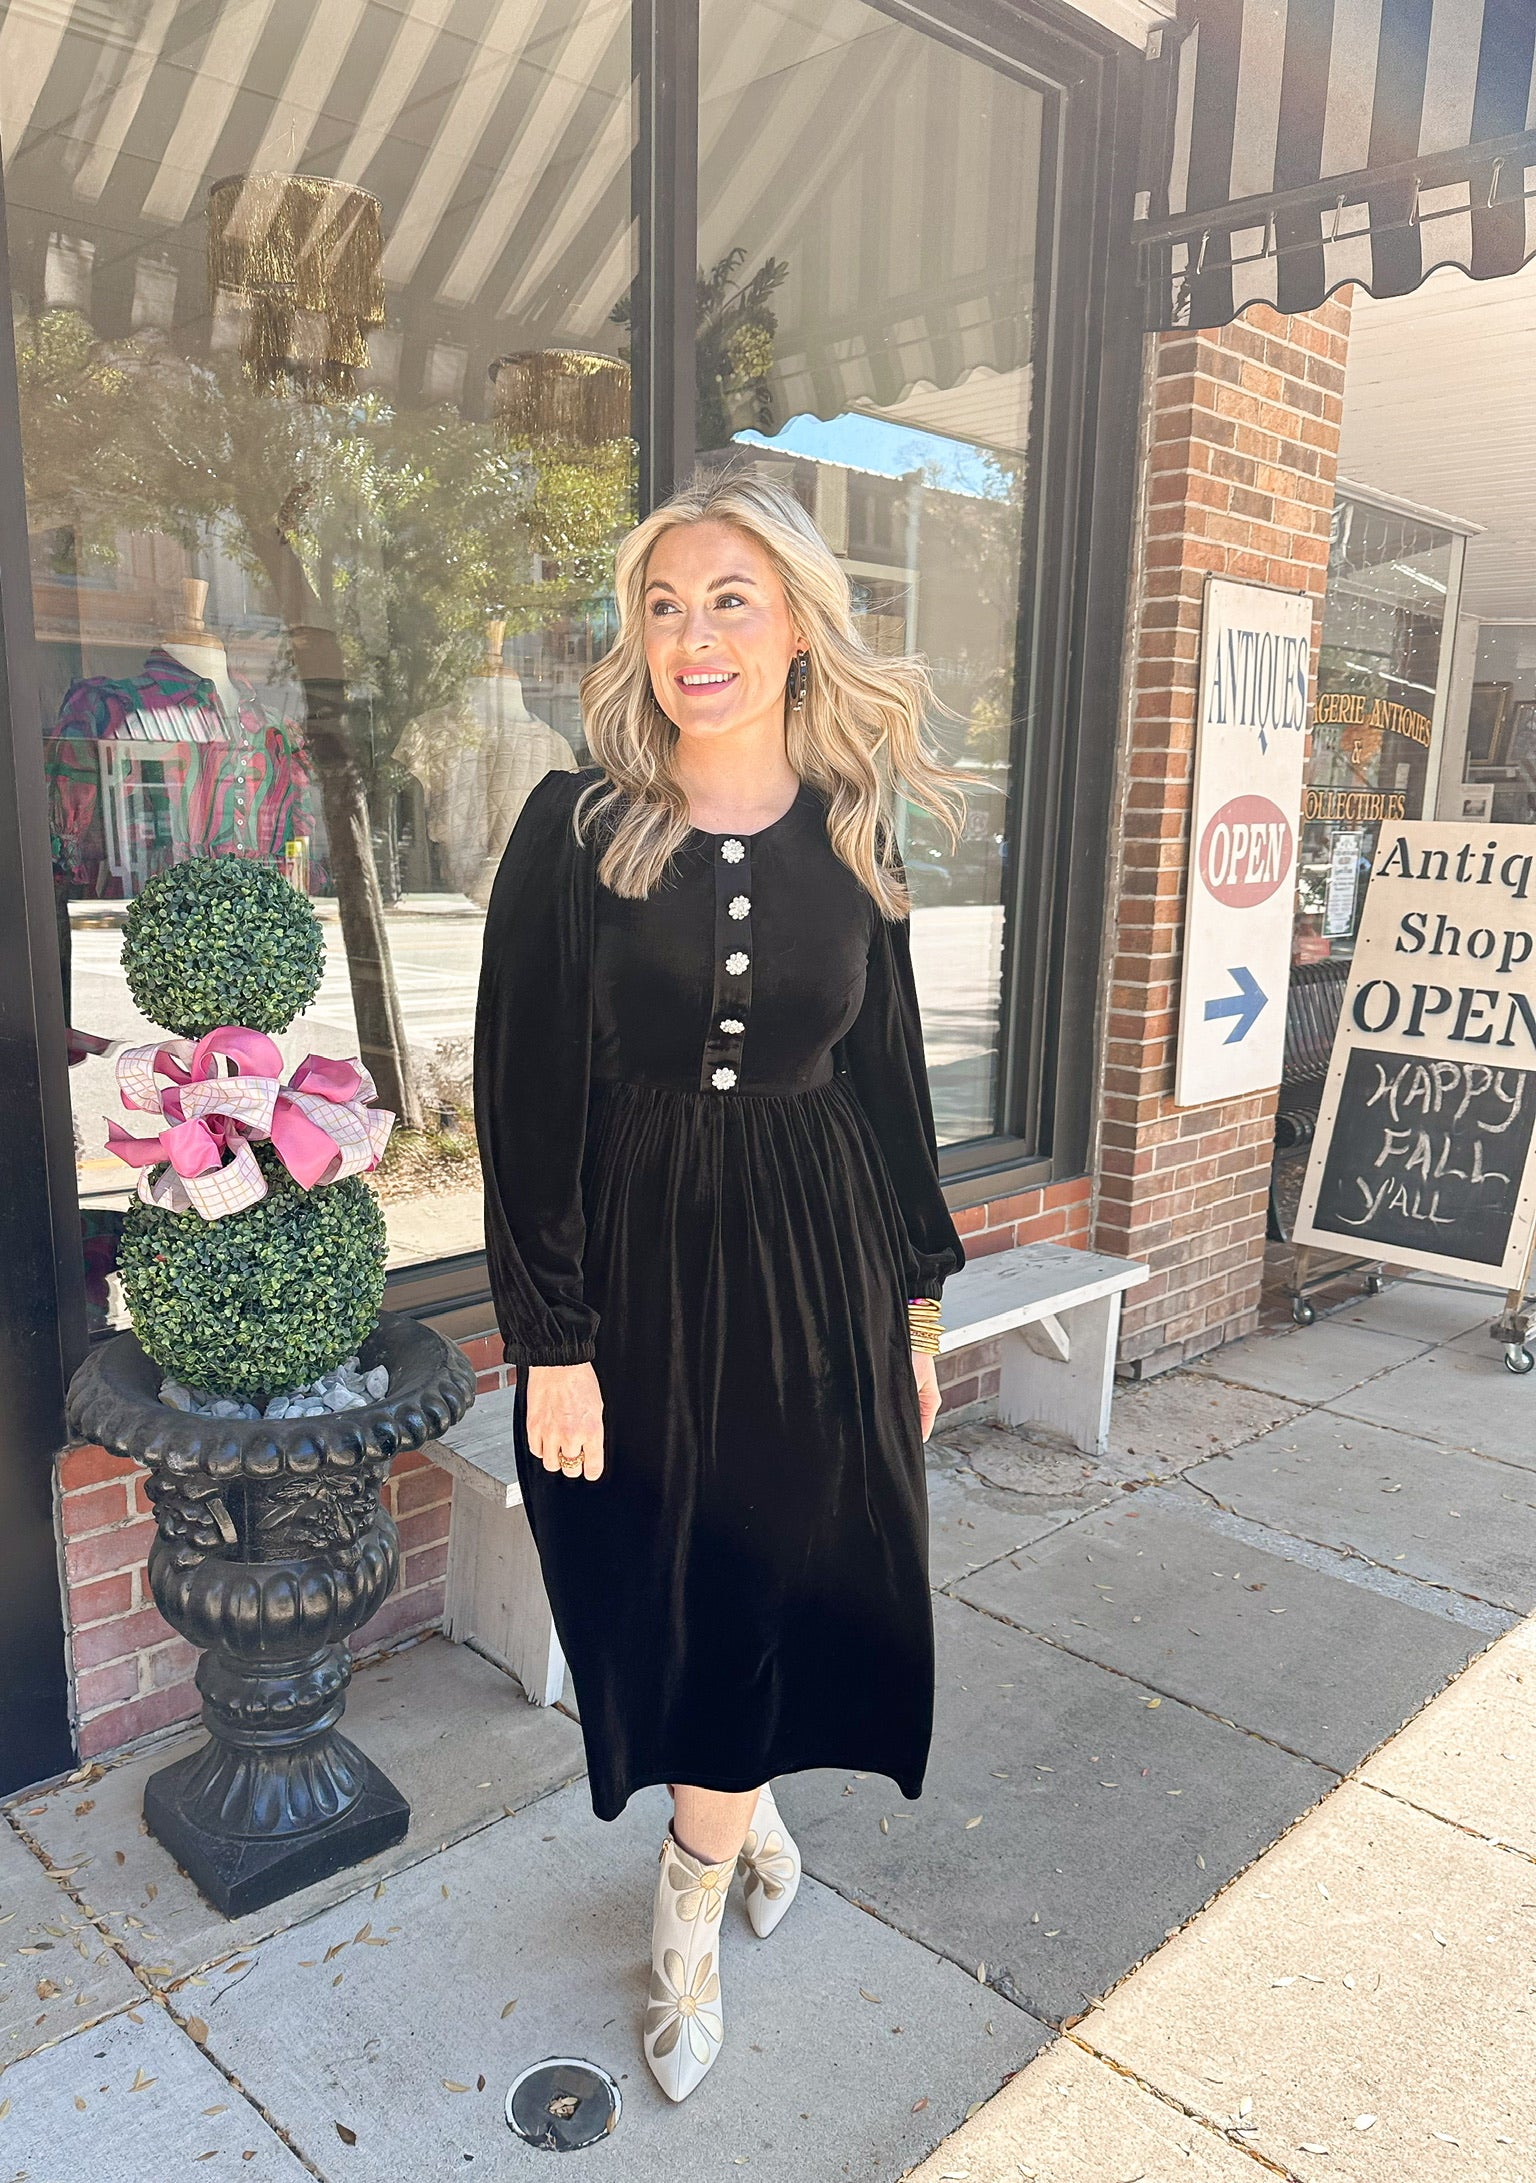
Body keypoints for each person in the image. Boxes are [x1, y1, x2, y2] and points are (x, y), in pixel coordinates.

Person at [473, 470, 972, 2103]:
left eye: (731, 600)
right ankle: (730, 1823)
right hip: (635, 1275)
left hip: (819, 1266)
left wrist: (915, 1307)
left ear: (800, 627)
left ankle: (693, 1887)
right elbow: (524, 1101)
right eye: (665, 604)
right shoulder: (577, 829)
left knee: (782, 1575)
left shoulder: (855, 830)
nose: (693, 636)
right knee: (662, 1581)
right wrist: (552, 1339)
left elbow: (891, 1088)